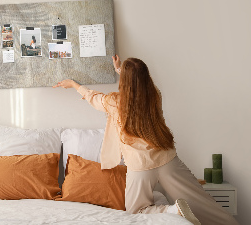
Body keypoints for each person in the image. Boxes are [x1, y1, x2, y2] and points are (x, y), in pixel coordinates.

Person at [53, 56, 238, 225]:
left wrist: (74, 85)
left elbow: (94, 97)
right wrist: (122, 71)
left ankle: (172, 211)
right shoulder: (155, 96)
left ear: (125, 81)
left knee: (136, 211)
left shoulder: (115, 102)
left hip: (140, 167)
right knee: (199, 202)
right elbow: (137, 85)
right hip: (167, 159)